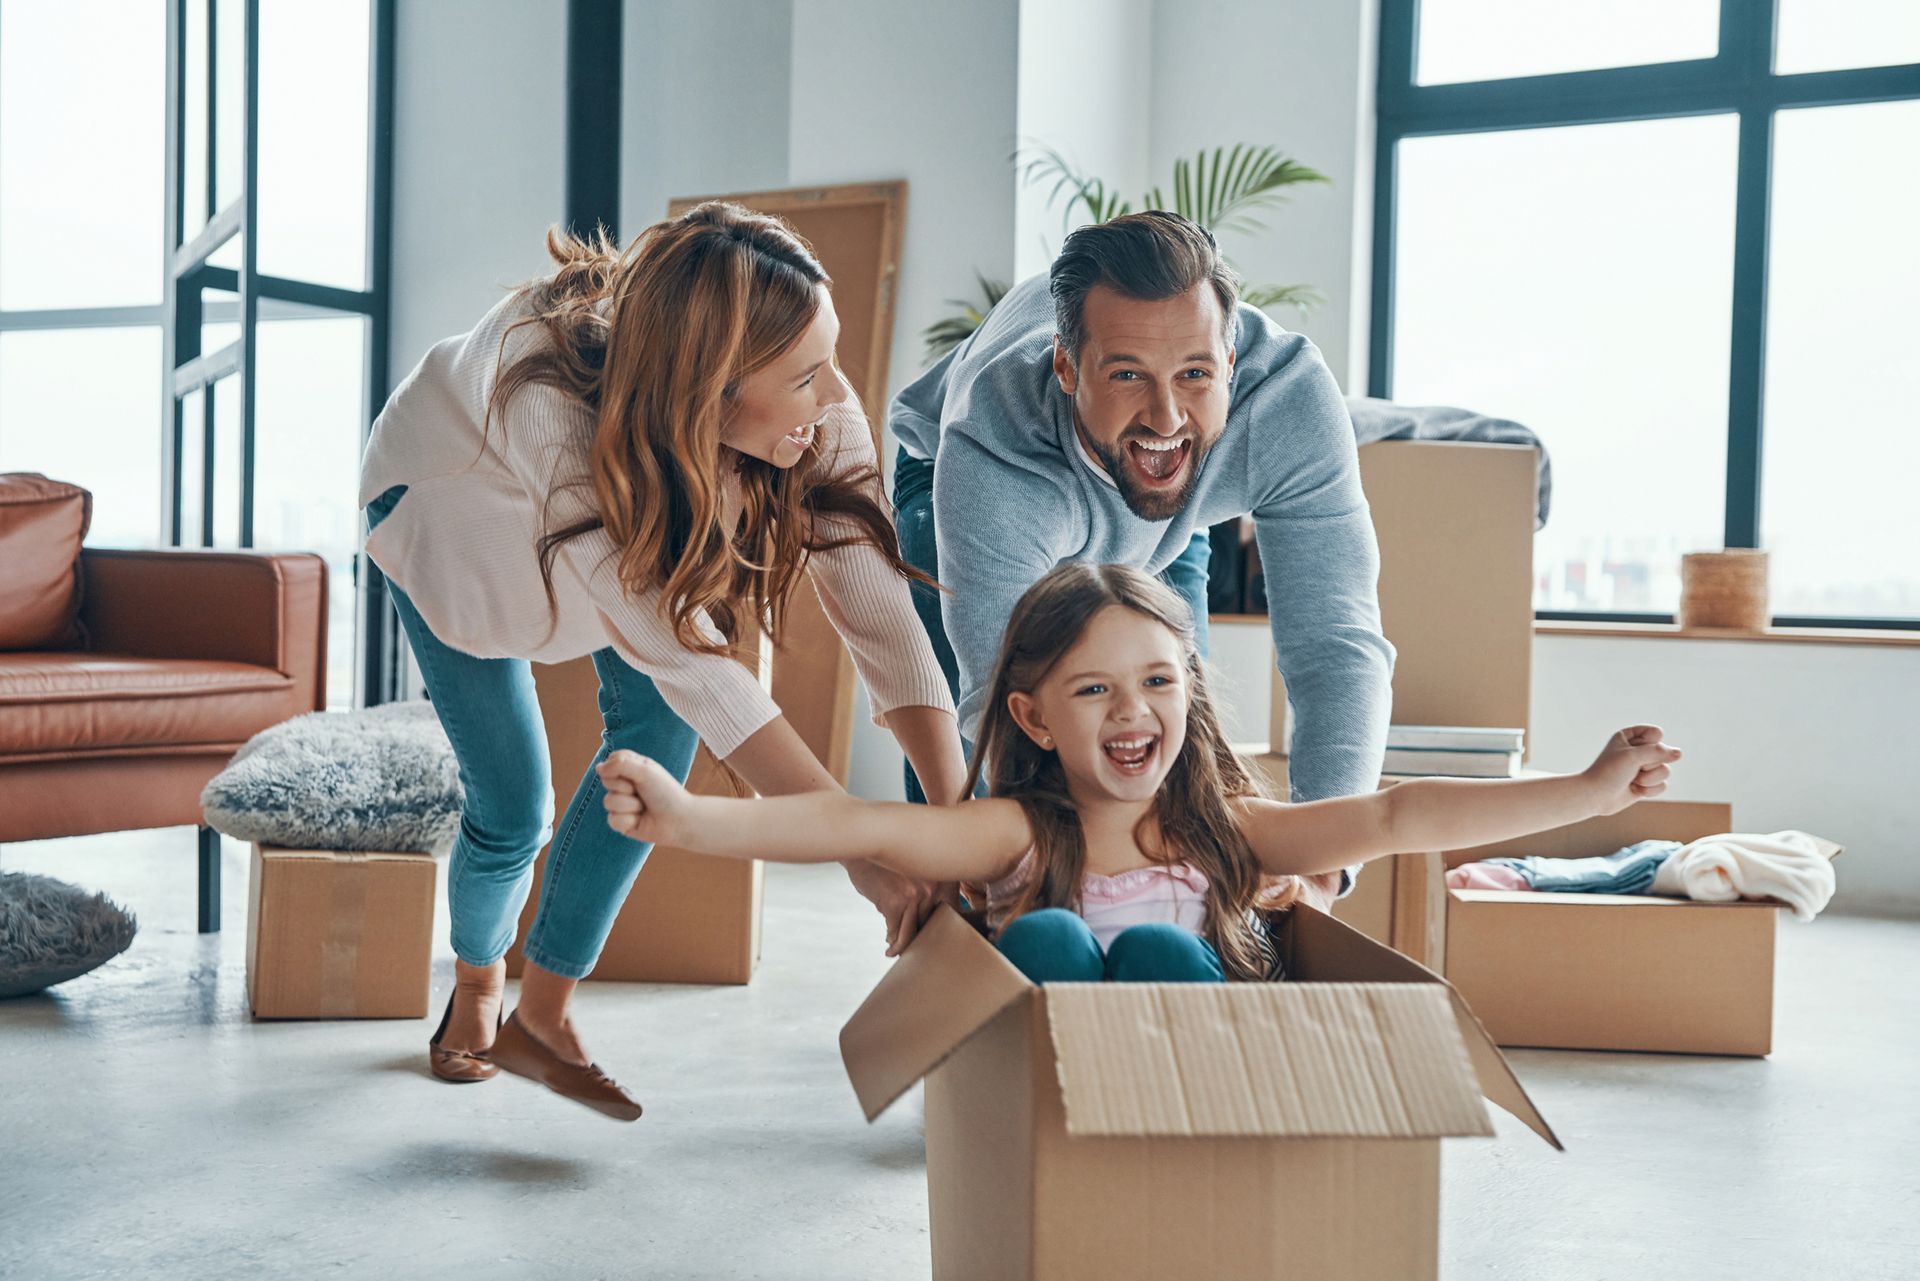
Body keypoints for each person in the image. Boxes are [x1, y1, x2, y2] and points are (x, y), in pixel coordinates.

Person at [359, 203, 966, 1120]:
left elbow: (882, 617)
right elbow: (701, 666)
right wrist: (865, 853)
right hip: (453, 534)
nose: (838, 397)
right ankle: (479, 979)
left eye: (829, 358)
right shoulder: (550, 410)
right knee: (513, 806)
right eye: (807, 377)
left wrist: (954, 828)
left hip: (607, 544)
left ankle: (547, 1016)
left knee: (658, 747)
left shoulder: (811, 415)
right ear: (712, 392)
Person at [595, 564, 1682, 984]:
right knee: (1052, 937)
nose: (1133, 712)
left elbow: (1399, 813)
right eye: (1094, 690)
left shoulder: (1231, 834)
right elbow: (862, 829)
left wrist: (1587, 794)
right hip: (1046, 1100)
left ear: (1190, 694)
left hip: (1190, 1094)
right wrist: (693, 821)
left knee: (1165, 943)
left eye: (1159, 682)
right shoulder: (1017, 830)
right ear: (1031, 715)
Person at [889, 211, 1396, 911]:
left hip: (1167, 507)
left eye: (1195, 374)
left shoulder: (1288, 404)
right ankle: (954, 933)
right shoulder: (994, 441)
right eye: (1128, 373)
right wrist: (1052, 884)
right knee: (971, 786)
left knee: (1181, 733)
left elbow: (1336, 646)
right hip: (953, 476)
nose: (1165, 414)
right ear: (1067, 367)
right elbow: (1002, 703)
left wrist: (1319, 872)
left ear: (1232, 359)